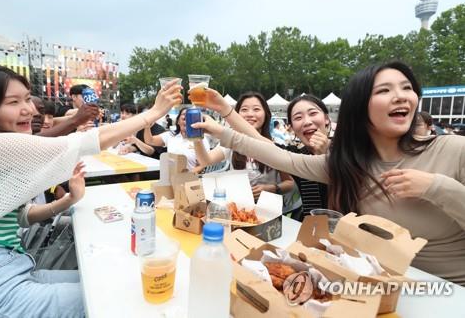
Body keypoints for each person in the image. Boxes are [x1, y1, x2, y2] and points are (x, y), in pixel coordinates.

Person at [192, 61, 465, 286]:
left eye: (407, 87)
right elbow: (278, 155)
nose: (401, 95)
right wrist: (223, 124)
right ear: (359, 108)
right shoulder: (347, 163)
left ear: (327, 118)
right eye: (384, 90)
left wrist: (437, 188)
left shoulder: (454, 149)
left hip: (448, 294)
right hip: (375, 286)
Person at [0, 62, 181, 316]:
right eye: (13, 103)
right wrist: (152, 113)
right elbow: (82, 143)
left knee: (106, 279)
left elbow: (20, 217)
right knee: (118, 297)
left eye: (27, 99)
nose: (30, 110)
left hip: (7, 264)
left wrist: (67, 200)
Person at [194, 91, 294, 201]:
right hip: (238, 208)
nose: (250, 114)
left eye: (256, 109)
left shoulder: (273, 145)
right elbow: (205, 161)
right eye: (244, 110)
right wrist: (196, 137)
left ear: (266, 114)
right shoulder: (232, 142)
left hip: (267, 209)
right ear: (236, 115)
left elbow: (289, 183)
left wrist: (272, 188)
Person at [144, 107, 210, 171]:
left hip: (192, 179)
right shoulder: (170, 135)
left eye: (190, 118)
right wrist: (147, 126)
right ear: (178, 121)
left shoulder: (201, 140)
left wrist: (188, 176)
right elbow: (150, 140)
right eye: (184, 115)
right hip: (171, 177)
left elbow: (202, 165)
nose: (187, 119)